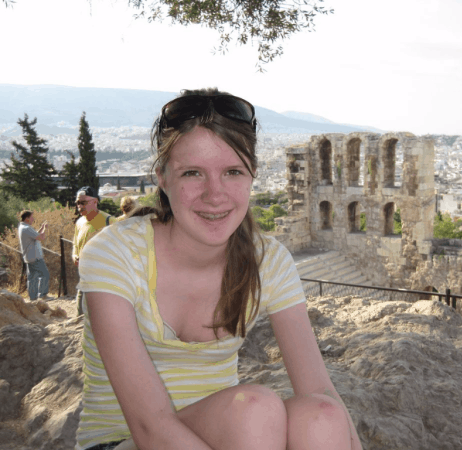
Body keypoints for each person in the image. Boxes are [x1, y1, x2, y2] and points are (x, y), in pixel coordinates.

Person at [75, 88, 362, 450]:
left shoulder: (267, 261)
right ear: (162, 177)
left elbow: (319, 388)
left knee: (323, 415)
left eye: (232, 172)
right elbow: (150, 427)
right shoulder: (115, 253)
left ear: (253, 174)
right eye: (193, 173)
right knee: (254, 408)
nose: (215, 194)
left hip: (231, 438)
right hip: (123, 441)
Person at [72, 186, 115, 314]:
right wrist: (74, 256)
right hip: (84, 278)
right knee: (80, 313)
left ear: (95, 201)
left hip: (104, 280)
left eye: (83, 202)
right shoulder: (79, 222)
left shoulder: (109, 221)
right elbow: (75, 244)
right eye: (78, 203)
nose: (80, 206)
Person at [17, 210, 52, 301]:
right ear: (27, 218)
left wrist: (40, 228)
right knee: (45, 274)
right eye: (32, 217)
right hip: (35, 257)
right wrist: (44, 228)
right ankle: (43, 295)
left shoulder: (23, 227)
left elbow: (35, 235)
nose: (33, 219)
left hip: (29, 257)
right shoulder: (27, 228)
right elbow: (41, 237)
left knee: (32, 278)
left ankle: (33, 297)